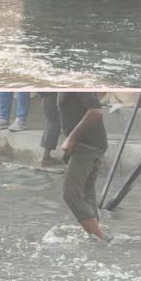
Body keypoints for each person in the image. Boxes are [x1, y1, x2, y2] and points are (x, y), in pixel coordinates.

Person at [58, 92, 108, 241]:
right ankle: (96, 237)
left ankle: (101, 240)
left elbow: (96, 112)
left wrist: (71, 138)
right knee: (86, 192)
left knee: (71, 194)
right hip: (90, 143)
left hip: (86, 145)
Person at [40, 93, 61, 166]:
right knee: (54, 123)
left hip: (47, 95)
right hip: (51, 95)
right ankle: (46, 157)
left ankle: (46, 156)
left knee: (50, 122)